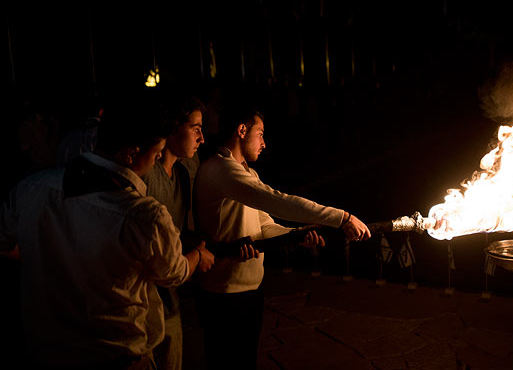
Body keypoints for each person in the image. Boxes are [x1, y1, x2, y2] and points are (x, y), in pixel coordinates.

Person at [0, 91, 215, 369]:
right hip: (117, 354)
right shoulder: (143, 214)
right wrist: (197, 254)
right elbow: (173, 273)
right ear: (131, 153)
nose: (156, 161)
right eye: (156, 154)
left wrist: (52, 262)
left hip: (46, 350)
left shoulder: (32, 188)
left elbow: (5, 243)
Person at [193, 103, 371, 370]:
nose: (264, 143)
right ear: (241, 130)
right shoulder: (221, 169)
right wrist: (341, 217)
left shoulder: (247, 174)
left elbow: (264, 224)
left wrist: (296, 235)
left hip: (249, 288)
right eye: (260, 133)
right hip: (223, 292)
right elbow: (277, 201)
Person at [141, 93, 209, 370]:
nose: (201, 138)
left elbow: (179, 232)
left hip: (172, 298)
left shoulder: (182, 173)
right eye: (196, 129)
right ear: (173, 128)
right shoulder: (146, 173)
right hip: (146, 303)